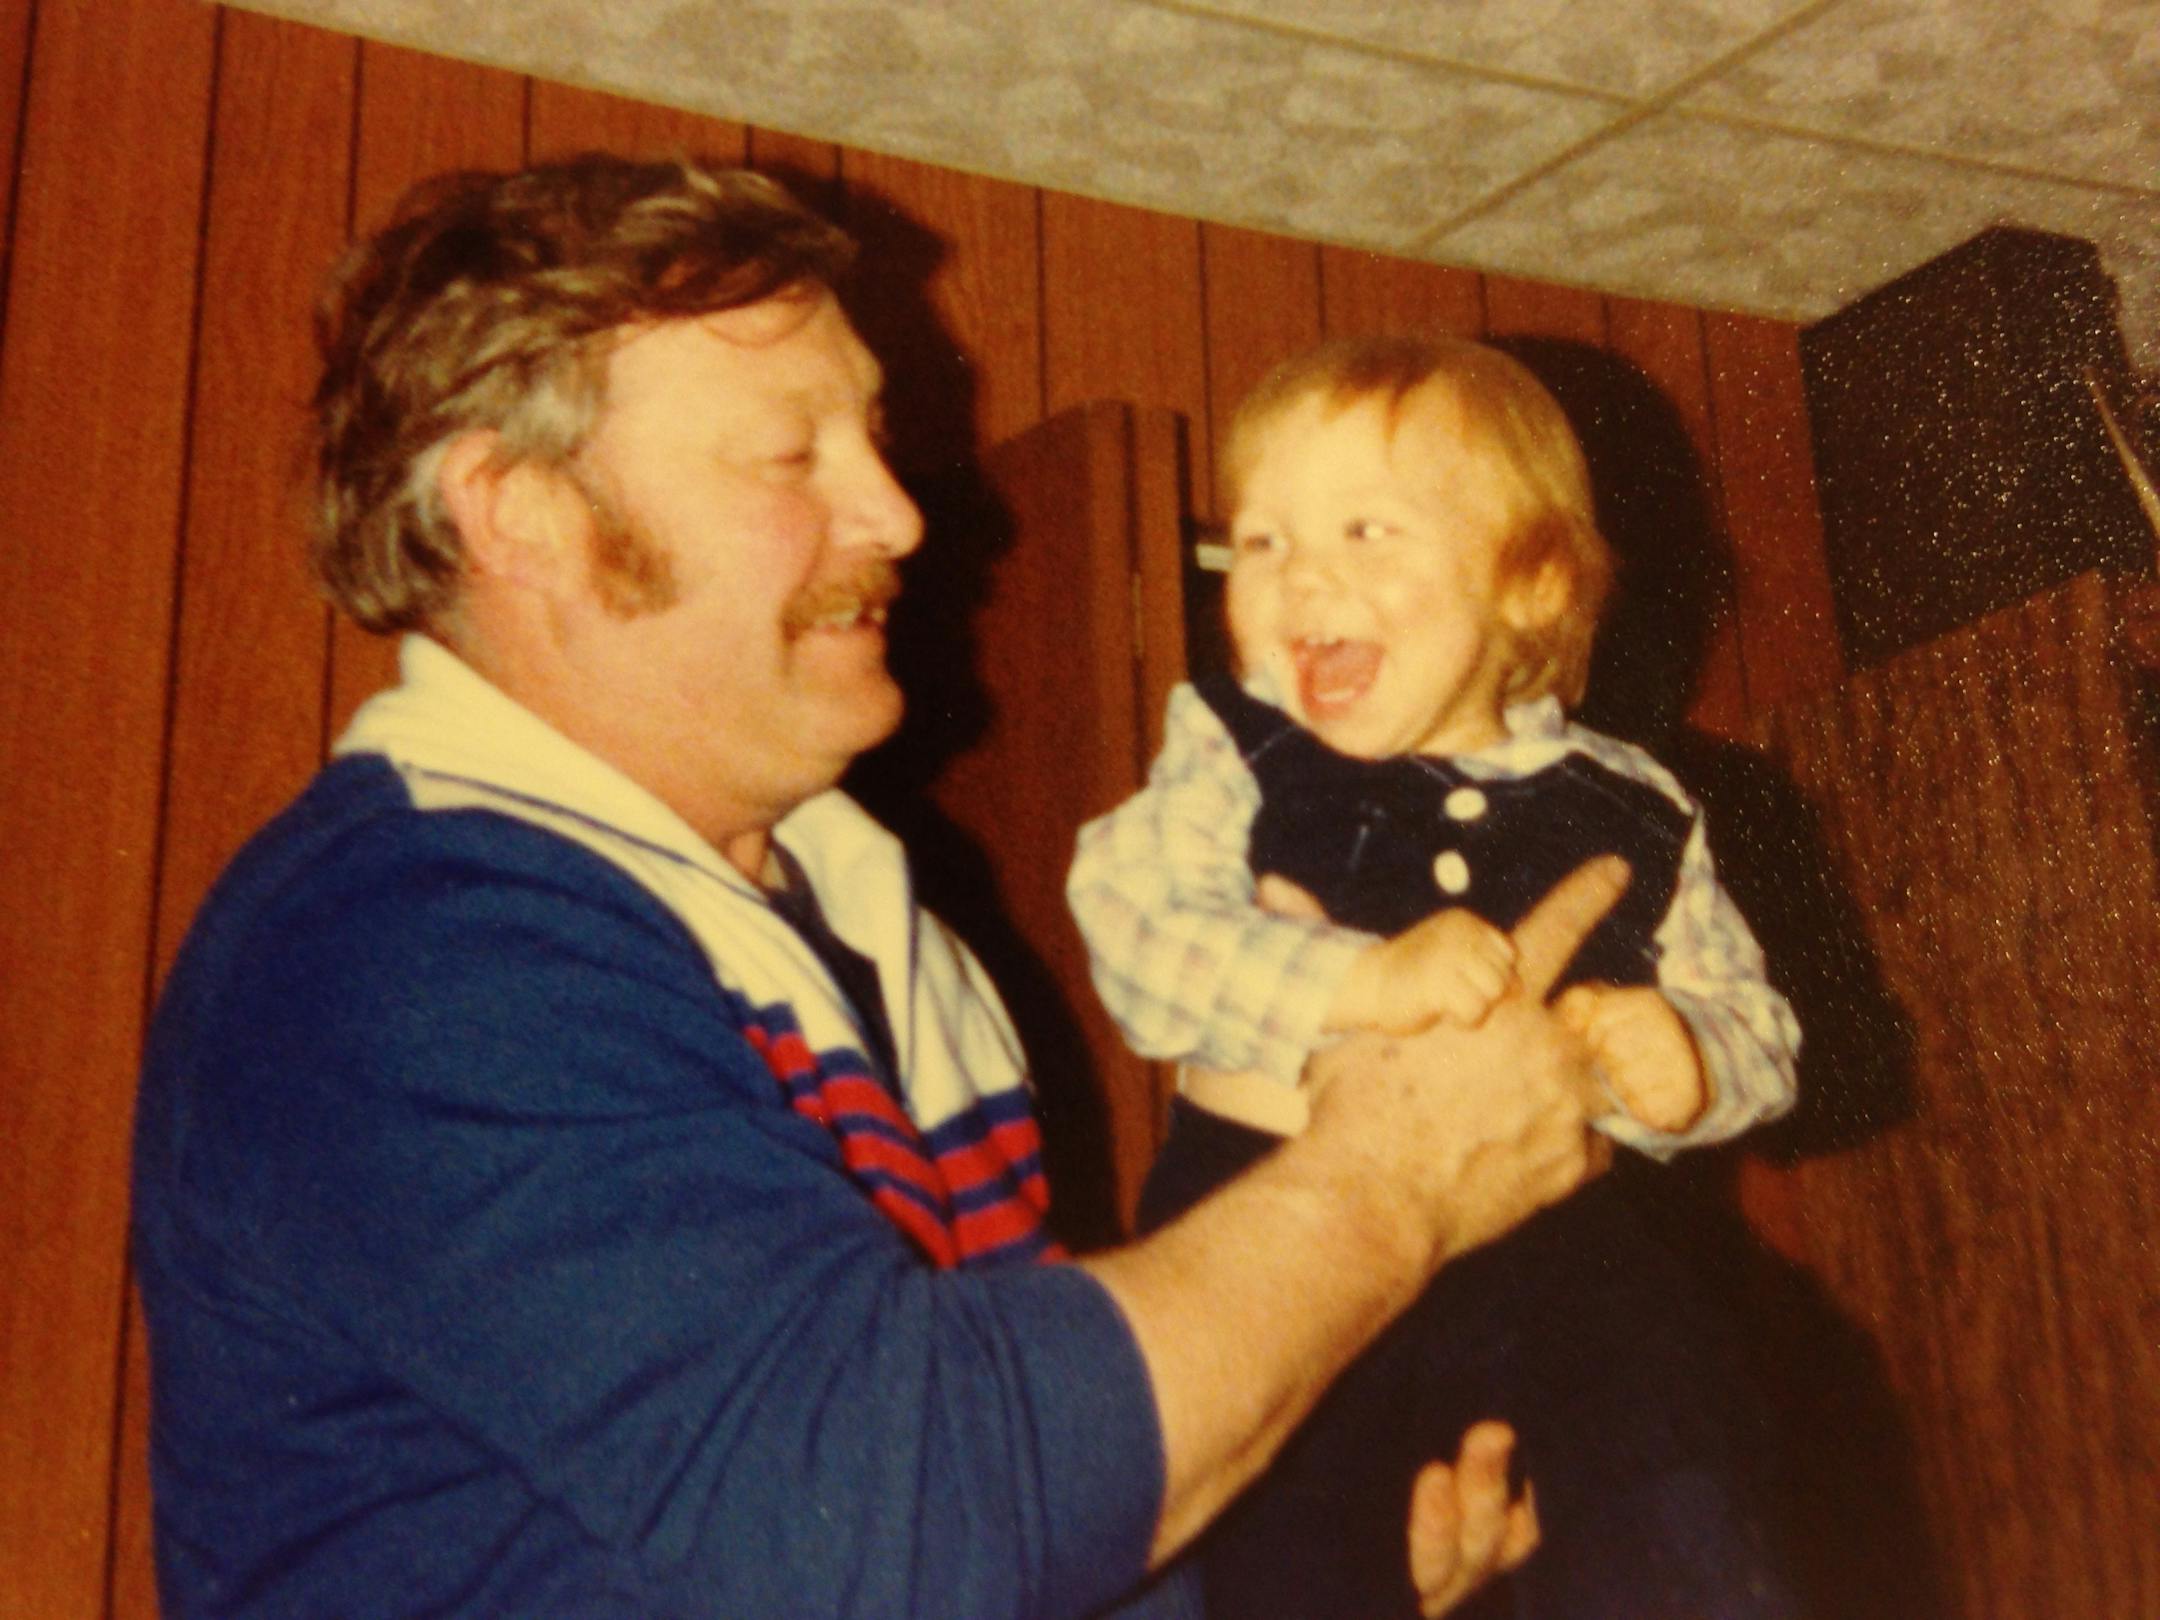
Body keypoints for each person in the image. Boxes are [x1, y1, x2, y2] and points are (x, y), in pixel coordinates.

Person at [131, 155, 1627, 1620]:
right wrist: (1396, 1179)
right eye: (794, 458)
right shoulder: (408, 947)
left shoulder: (865, 931)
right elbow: (903, 1528)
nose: (898, 516)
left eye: (871, 440)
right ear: (521, 513)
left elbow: (1014, 1535)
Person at [1067, 334, 1806, 1619]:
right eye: (1262, 542)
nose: (1304, 580)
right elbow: (1132, 922)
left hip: (1570, 1262)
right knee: (1281, 1556)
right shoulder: (1236, 749)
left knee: (1681, 1493)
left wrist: (1686, 1059)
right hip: (1282, 1251)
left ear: (1525, 583)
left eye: (1366, 532)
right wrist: (1352, 983)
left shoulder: (1636, 807)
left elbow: (1761, 1028)